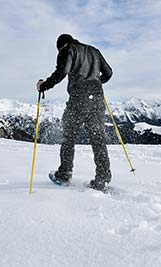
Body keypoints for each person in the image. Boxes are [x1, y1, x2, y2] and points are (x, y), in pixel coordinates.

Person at [37, 33, 113, 191]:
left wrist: (44, 85)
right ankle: (103, 178)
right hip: (97, 99)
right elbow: (109, 73)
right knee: (98, 139)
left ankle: (64, 173)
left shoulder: (68, 50)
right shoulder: (94, 51)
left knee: (69, 136)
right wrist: (96, 82)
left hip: (79, 99)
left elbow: (62, 71)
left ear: (61, 45)